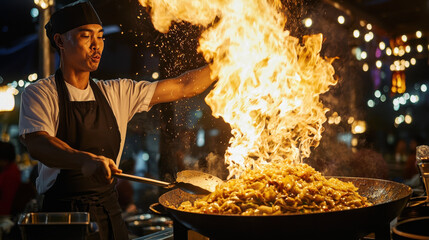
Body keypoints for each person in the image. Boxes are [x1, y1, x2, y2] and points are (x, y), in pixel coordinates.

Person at [18, 1, 216, 239]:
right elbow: (39, 144)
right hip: (64, 219)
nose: (96, 45)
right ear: (60, 41)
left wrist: (224, 64)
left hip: (109, 213)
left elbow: (183, 85)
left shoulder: (116, 92)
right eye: (85, 36)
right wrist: (84, 160)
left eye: (100, 37)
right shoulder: (40, 93)